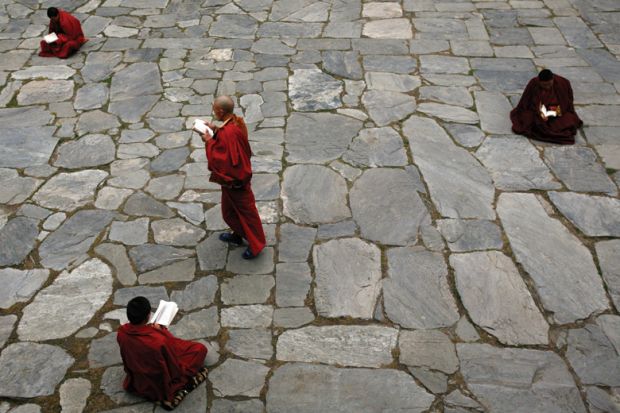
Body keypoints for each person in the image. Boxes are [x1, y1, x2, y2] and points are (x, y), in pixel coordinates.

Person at [201, 95, 266, 260]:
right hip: (230, 184)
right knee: (229, 213)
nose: (213, 111)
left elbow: (221, 159)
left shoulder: (230, 131)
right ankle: (238, 235)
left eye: (214, 109)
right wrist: (214, 130)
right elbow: (226, 139)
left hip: (237, 182)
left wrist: (208, 142)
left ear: (221, 111)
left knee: (248, 215)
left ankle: (257, 245)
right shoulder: (235, 122)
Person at [117, 297, 208, 411]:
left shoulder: (122, 333)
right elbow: (173, 365)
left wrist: (152, 330)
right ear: (148, 316)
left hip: (138, 379)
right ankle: (174, 390)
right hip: (158, 382)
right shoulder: (158, 341)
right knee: (200, 349)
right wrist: (162, 331)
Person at [510, 69, 582, 145]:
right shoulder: (533, 83)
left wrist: (553, 112)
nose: (547, 87)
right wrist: (539, 111)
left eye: (549, 84)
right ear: (539, 81)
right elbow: (526, 102)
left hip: (559, 112)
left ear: (553, 79)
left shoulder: (563, 83)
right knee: (530, 120)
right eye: (544, 85)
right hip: (538, 111)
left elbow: (566, 103)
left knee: (569, 120)